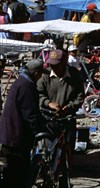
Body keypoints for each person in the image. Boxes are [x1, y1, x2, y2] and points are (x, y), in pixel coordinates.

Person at [0, 60, 45, 188]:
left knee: (12, 174)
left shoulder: (21, 82)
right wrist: (40, 132)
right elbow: (30, 115)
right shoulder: (26, 86)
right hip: (16, 139)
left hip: (11, 137)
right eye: (40, 74)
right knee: (17, 175)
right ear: (36, 73)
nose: (41, 77)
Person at [36, 49, 85, 162]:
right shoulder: (45, 76)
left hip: (67, 118)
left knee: (67, 149)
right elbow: (38, 94)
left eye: (57, 65)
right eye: (52, 65)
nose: (54, 68)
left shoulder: (74, 75)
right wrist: (48, 103)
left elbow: (80, 96)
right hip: (48, 117)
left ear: (64, 63)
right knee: (47, 149)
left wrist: (70, 107)